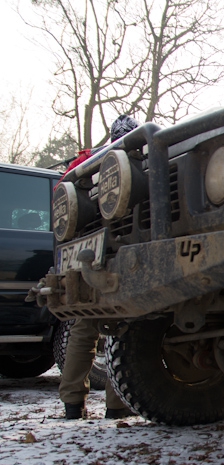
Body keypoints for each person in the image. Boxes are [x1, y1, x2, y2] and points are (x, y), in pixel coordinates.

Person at [60, 114, 141, 420]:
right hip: (115, 252)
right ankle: (117, 404)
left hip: (82, 253)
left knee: (83, 329)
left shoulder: (88, 167)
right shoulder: (129, 163)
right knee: (122, 327)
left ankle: (72, 402)